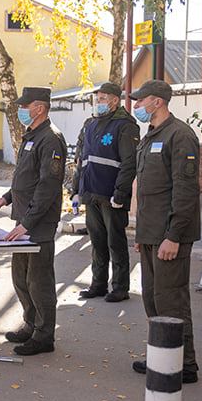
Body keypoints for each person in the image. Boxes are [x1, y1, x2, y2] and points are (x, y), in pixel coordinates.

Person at [0, 87, 67, 356]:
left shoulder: (51, 139)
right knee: (21, 277)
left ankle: (44, 335)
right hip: (23, 220)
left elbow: (47, 186)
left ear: (39, 108)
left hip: (37, 223)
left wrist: (27, 223)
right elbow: (25, 178)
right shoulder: (32, 135)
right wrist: (5, 199)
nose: (20, 110)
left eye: (25, 106)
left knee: (39, 281)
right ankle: (31, 324)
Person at [128, 80, 201, 384]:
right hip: (150, 234)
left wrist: (173, 235)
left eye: (141, 101)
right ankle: (162, 355)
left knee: (171, 300)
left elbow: (184, 191)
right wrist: (142, 236)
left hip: (170, 236)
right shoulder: (151, 136)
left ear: (157, 102)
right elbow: (149, 189)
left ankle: (184, 364)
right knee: (153, 300)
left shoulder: (180, 135)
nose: (137, 106)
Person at [70, 82, 140, 303]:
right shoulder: (90, 123)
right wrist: (75, 189)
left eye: (102, 98)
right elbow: (80, 160)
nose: (98, 102)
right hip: (91, 192)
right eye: (97, 98)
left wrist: (120, 192)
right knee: (97, 240)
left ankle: (120, 287)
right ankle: (98, 284)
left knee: (115, 241)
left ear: (114, 100)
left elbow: (129, 162)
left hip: (112, 195)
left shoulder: (125, 125)